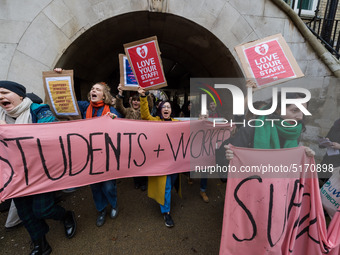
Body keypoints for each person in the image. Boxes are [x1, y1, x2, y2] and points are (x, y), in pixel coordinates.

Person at [0, 80, 76, 255]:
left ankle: (66, 216)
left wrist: (8, 132)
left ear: (20, 95)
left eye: (4, 92)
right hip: (16, 176)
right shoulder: (2, 116)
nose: (0, 97)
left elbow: (51, 134)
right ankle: (40, 244)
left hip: (41, 172)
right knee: (25, 213)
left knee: (43, 209)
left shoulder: (39, 110)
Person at [217, 92, 315, 168]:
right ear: (278, 109)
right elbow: (226, 167)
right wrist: (230, 158)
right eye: (295, 110)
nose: (300, 117)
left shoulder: (294, 133)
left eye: (303, 112)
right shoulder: (251, 129)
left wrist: (304, 155)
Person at [77, 81, 121, 227]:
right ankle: (101, 210)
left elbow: (122, 127)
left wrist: (114, 121)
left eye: (97, 89)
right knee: (95, 186)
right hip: (90, 155)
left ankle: (113, 204)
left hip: (107, 156)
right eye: (92, 88)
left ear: (104, 95)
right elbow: (65, 100)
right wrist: (60, 77)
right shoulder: (84, 107)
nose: (93, 90)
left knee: (108, 186)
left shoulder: (111, 111)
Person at [138, 86, 179, 228]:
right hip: (161, 161)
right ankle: (166, 212)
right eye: (164, 106)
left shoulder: (177, 123)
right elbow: (145, 116)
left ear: (171, 111)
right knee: (166, 186)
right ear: (160, 109)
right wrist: (143, 97)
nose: (166, 108)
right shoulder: (155, 121)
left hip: (174, 162)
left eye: (169, 107)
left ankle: (163, 199)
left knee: (171, 183)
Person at [116, 84, 148, 191]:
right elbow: (119, 107)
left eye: (138, 100)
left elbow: (150, 105)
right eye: (134, 100)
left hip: (143, 142)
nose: (136, 102)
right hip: (130, 142)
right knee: (133, 163)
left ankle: (143, 182)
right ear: (131, 101)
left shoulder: (144, 112)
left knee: (143, 163)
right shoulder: (128, 111)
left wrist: (145, 94)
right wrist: (120, 94)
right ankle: (136, 182)